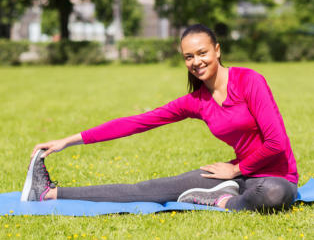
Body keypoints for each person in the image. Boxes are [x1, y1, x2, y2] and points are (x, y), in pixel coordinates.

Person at [21, 24, 298, 212]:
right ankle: (50, 193)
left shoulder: (250, 81)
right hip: (237, 177)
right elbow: (136, 122)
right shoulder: (197, 102)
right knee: (150, 189)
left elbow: (277, 143)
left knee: (274, 194)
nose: (196, 62)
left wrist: (236, 170)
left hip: (274, 176)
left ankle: (222, 201)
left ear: (217, 50)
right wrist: (68, 141)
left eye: (202, 53)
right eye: (188, 57)